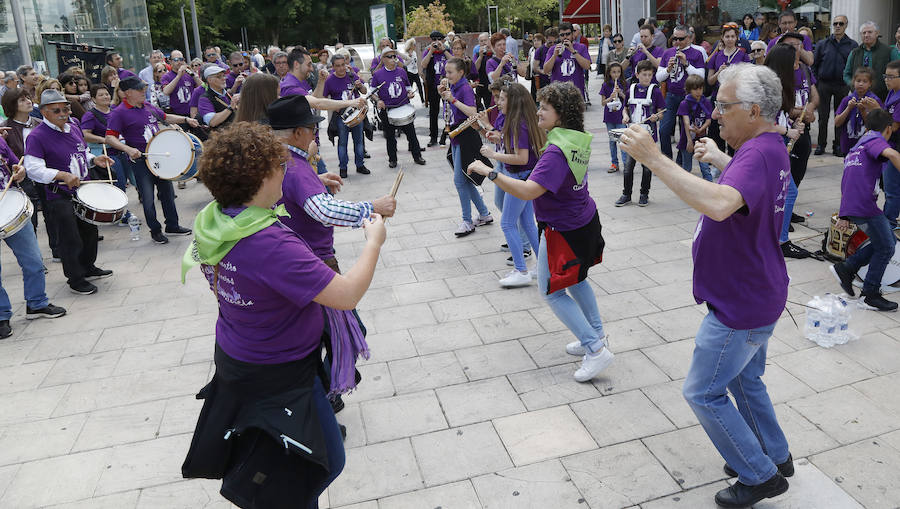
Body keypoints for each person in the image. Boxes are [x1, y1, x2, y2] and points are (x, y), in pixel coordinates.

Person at [180, 121, 385, 508]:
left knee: (295, 465)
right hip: (279, 372)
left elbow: (221, 284)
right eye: (280, 167)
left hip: (241, 355)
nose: (285, 173)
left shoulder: (216, 220)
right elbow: (345, 295)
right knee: (317, 466)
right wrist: (373, 242)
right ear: (261, 178)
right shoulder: (270, 243)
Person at [619, 62, 793, 509]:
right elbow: (742, 193)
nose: (716, 113)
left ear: (754, 111)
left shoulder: (756, 154)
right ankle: (775, 454)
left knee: (703, 391)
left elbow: (719, 205)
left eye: (724, 105)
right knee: (745, 380)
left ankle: (760, 476)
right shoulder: (769, 148)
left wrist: (653, 158)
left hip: (741, 302)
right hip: (760, 289)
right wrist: (722, 160)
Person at [468, 82, 613, 382]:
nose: (538, 113)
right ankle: (596, 335)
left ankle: (596, 349)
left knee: (551, 291)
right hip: (582, 220)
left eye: (545, 108)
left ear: (561, 115)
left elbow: (529, 191)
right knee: (577, 280)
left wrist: (489, 172)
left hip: (564, 229)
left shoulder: (556, 151)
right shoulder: (575, 138)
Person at [23, 90, 116, 295]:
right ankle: (75, 279)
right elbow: (33, 169)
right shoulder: (36, 136)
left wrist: (94, 160)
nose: (63, 113)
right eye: (57, 110)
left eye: (66, 108)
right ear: (45, 112)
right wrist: (61, 175)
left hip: (84, 189)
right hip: (59, 194)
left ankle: (88, 267)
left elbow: (82, 151)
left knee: (90, 231)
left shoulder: (73, 127)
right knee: (70, 237)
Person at [104, 76, 198, 244]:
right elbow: (110, 138)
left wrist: (185, 119)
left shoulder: (147, 106)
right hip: (140, 160)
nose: (143, 91)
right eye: (139, 89)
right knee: (148, 198)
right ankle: (155, 230)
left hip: (159, 156)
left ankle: (172, 225)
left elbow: (165, 117)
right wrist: (128, 149)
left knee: (168, 193)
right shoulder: (119, 112)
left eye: (143, 88)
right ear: (127, 93)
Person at [831, 109, 900, 311]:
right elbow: (893, 153)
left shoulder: (858, 145)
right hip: (864, 205)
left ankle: (847, 268)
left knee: (887, 240)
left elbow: (847, 179)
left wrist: (844, 211)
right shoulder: (876, 140)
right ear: (888, 129)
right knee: (887, 246)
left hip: (855, 204)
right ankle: (870, 293)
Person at [0, 136, 67, 338]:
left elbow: (16, 164)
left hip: (12, 206)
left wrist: (19, 172)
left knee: (34, 261)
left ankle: (37, 303)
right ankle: (1, 315)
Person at [476, 82, 541, 286]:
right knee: (528, 223)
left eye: (502, 98)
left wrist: (494, 155)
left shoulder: (519, 124)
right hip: (523, 176)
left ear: (514, 101)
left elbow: (521, 158)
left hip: (520, 177)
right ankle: (545, 265)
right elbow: (509, 143)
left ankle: (521, 270)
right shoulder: (515, 120)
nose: (498, 102)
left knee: (507, 223)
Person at [439, 57, 492, 237]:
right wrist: (445, 95)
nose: (447, 75)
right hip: (456, 135)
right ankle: (484, 213)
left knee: (460, 180)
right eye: (446, 72)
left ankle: (467, 221)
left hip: (466, 136)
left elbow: (473, 112)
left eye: (450, 72)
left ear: (461, 72)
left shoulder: (465, 88)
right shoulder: (453, 86)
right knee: (465, 178)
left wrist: (452, 100)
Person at [616, 60, 665, 207]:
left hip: (648, 135)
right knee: (628, 166)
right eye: (644, 75)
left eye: (650, 75)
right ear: (637, 74)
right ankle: (626, 194)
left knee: (647, 166)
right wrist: (625, 116)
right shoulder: (630, 89)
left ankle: (644, 194)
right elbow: (625, 108)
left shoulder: (655, 91)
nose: (647, 77)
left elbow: (661, 111)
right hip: (632, 133)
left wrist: (657, 117)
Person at [370, 46, 426, 169]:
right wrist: (378, 100)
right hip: (387, 109)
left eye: (394, 56)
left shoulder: (401, 71)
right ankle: (393, 159)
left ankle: (417, 156)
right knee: (390, 137)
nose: (393, 59)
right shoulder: (378, 74)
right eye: (389, 56)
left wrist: (410, 93)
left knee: (411, 135)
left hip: (403, 106)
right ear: (383, 59)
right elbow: (372, 92)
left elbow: (407, 87)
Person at [656, 24, 706, 160]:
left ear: (689, 38)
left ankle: (680, 162)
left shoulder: (696, 53)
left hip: (689, 98)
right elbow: (658, 77)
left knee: (686, 132)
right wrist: (667, 69)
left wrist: (686, 63)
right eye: (675, 39)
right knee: (664, 129)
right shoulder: (667, 53)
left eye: (681, 39)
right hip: (672, 96)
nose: (677, 42)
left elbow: (701, 77)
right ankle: (666, 160)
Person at [813, 14, 857, 156]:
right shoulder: (823, 44)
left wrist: (850, 84)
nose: (837, 26)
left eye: (841, 24)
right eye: (835, 23)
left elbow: (854, 67)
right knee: (822, 117)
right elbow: (814, 64)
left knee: (840, 116)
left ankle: (838, 145)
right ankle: (821, 144)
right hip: (824, 84)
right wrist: (816, 82)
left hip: (841, 85)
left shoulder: (852, 45)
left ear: (846, 25)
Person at [707, 25, 752, 152]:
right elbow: (710, 81)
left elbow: (748, 76)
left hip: (735, 98)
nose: (730, 39)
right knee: (716, 129)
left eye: (732, 36)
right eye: (727, 36)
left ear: (736, 38)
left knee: (734, 129)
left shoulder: (742, 55)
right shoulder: (716, 56)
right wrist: (718, 73)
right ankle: (717, 160)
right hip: (719, 97)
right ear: (722, 38)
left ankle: (734, 158)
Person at [324, 54, 370, 178]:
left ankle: (360, 165)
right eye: (337, 66)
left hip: (356, 114)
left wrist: (360, 86)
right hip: (341, 116)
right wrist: (334, 106)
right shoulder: (329, 80)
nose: (341, 68)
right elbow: (323, 99)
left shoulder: (351, 75)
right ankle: (343, 168)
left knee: (359, 141)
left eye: (343, 65)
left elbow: (364, 92)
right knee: (342, 142)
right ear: (333, 67)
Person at [844, 21, 899, 100]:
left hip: (882, 97)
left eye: (870, 32)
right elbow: (846, 74)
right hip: (858, 97)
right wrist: (854, 85)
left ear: (877, 34)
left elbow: (897, 74)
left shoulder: (889, 51)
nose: (866, 35)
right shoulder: (854, 52)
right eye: (864, 33)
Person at [835, 67, 882, 155]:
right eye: (858, 81)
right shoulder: (847, 100)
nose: (861, 84)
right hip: (848, 142)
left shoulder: (873, 101)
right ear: (853, 82)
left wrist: (863, 111)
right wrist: (848, 108)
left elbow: (875, 126)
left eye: (865, 81)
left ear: (870, 84)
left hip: (866, 143)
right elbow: (837, 123)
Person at [542, 22, 592, 99]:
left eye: (568, 34)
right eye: (562, 35)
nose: (565, 37)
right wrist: (554, 55)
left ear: (573, 34)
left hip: (576, 92)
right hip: (558, 93)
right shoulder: (553, 49)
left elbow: (587, 66)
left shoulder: (581, 47)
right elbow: (545, 70)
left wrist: (573, 51)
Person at [677, 75, 714, 181]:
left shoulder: (705, 102)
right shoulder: (684, 103)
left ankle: (710, 189)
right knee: (687, 167)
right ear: (689, 90)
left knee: (705, 167)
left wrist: (701, 129)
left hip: (702, 138)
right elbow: (686, 122)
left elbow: (708, 119)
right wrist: (689, 140)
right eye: (695, 89)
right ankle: (685, 188)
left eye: (700, 88)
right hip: (687, 138)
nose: (698, 91)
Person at [880, 60, 900, 229]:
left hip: (895, 148)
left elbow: (893, 126)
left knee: (892, 190)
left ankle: (889, 224)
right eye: (886, 75)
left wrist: (876, 112)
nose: (887, 79)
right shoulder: (892, 92)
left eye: (891, 77)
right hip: (891, 146)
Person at [421, 30, 449, 147]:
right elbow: (423, 64)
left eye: (439, 39)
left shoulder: (446, 50)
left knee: (448, 111)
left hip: (446, 85)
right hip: (433, 86)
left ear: (443, 40)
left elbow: (454, 60)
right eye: (434, 40)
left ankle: (446, 134)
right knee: (433, 112)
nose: (436, 42)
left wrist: (444, 50)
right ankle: (433, 137)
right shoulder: (428, 51)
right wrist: (431, 51)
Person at [599, 62, 627, 173]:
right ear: (609, 73)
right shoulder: (605, 85)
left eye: (618, 72)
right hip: (610, 116)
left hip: (621, 116)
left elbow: (628, 100)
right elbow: (603, 103)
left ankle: (626, 164)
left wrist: (620, 93)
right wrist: (611, 97)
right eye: (614, 72)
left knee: (622, 140)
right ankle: (614, 163)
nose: (616, 75)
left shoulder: (624, 84)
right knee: (612, 141)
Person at [161, 50, 202, 117]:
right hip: (178, 114)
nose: (179, 62)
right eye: (176, 60)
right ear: (170, 61)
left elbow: (203, 87)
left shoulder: (189, 74)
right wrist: (178, 76)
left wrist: (195, 76)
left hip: (193, 113)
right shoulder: (167, 76)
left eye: (181, 59)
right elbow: (166, 91)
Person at [473, 32, 495, 110]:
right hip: (481, 84)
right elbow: (475, 69)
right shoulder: (477, 54)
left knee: (491, 108)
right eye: (481, 41)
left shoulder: (494, 52)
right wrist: (480, 56)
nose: (483, 43)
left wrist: (492, 49)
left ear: (489, 40)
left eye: (485, 40)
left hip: (491, 85)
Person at [403, 39, 424, 103]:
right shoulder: (406, 53)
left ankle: (423, 100)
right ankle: (407, 100)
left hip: (415, 71)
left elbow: (416, 62)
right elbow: (404, 64)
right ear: (411, 45)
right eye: (414, 45)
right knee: (409, 87)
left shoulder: (414, 53)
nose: (415, 46)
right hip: (409, 72)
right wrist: (408, 58)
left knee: (419, 86)